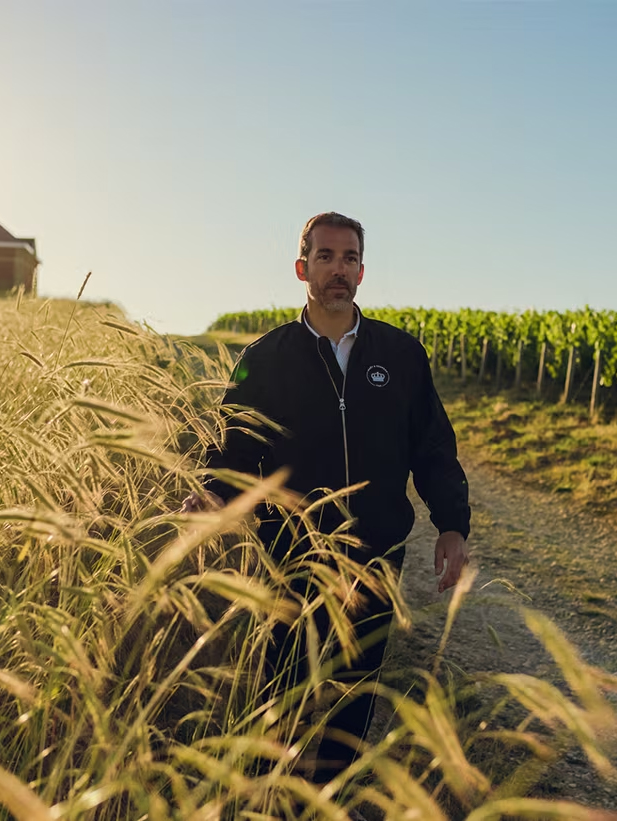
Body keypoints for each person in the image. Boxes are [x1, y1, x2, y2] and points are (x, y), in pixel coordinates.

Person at [184, 212, 471, 783]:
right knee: (281, 693)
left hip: (376, 556)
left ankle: (328, 795)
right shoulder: (263, 360)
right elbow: (236, 449)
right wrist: (211, 499)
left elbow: (433, 447)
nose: (338, 269)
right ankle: (273, 797)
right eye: (325, 257)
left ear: (362, 271)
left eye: (349, 258)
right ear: (301, 268)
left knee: (353, 697)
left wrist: (452, 525)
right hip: (291, 556)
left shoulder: (402, 355)